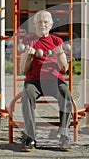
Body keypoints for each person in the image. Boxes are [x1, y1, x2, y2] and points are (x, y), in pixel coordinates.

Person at [20, 10, 72, 152]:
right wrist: (28, 56)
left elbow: (64, 69)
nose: (43, 25)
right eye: (40, 22)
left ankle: (64, 136)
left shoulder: (57, 41)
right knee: (27, 96)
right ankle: (30, 137)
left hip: (54, 80)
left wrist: (60, 55)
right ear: (35, 24)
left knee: (66, 95)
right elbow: (23, 68)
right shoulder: (28, 41)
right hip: (34, 81)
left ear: (51, 25)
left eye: (46, 22)